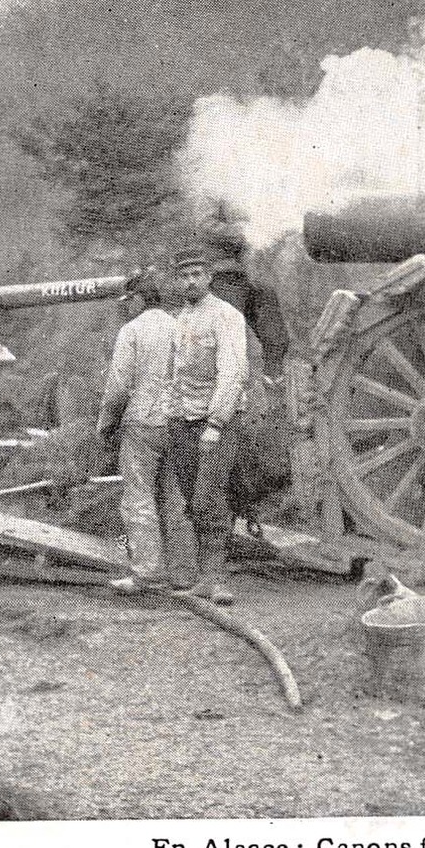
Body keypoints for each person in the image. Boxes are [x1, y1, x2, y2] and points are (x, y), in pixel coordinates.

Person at [166, 244, 249, 606]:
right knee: (189, 499)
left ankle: (217, 579)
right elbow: (173, 372)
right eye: (183, 276)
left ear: (209, 278)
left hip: (215, 422)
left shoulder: (226, 316)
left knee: (209, 497)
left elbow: (233, 372)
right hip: (181, 419)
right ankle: (202, 577)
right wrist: (169, 412)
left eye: (196, 275)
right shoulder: (179, 317)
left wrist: (216, 422)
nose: (190, 282)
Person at [95, 273, 183, 593]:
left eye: (128, 302)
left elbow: (118, 386)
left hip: (142, 423)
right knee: (175, 498)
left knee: (139, 497)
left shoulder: (132, 331)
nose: (125, 308)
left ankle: (147, 573)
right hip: (180, 422)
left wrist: (106, 424)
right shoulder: (180, 326)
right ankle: (181, 572)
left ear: (138, 299)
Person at [202, 224, 291, 377]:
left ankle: (273, 378)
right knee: (230, 333)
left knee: (276, 333)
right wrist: (245, 230)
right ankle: (228, 381)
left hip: (253, 272)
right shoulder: (215, 200)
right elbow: (206, 225)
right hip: (224, 274)